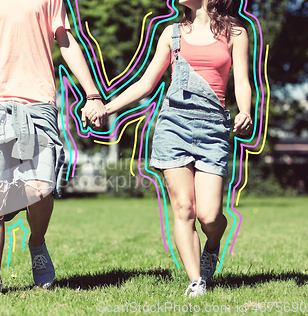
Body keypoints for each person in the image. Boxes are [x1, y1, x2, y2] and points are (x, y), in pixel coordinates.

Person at [92, 0, 252, 297]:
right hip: (172, 126)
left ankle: (213, 244)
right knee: (183, 208)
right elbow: (146, 83)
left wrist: (245, 110)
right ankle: (197, 282)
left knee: (209, 216)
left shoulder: (236, 34)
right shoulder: (172, 34)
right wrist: (107, 107)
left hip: (213, 128)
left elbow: (242, 80)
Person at [0, 0, 107, 299]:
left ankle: (36, 242)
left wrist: (92, 93)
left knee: (40, 188)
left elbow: (66, 41)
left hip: (38, 103)